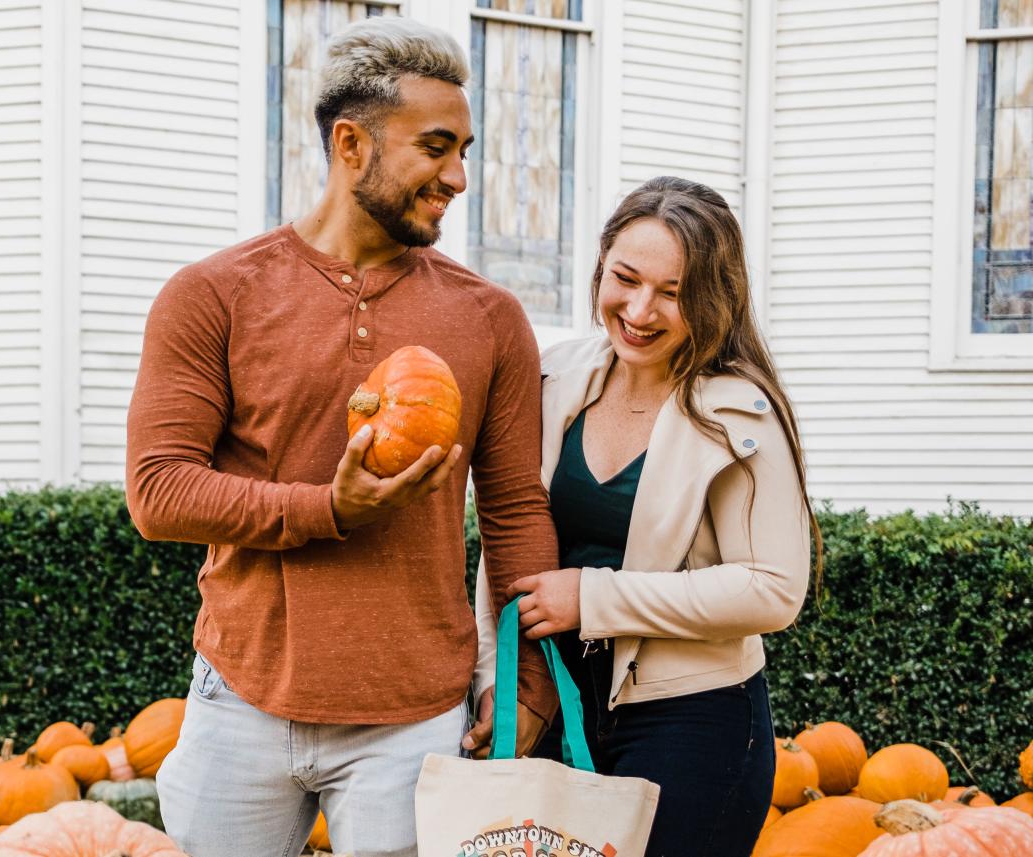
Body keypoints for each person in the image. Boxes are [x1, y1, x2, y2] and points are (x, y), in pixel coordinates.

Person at [124, 16, 558, 857]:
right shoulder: (213, 294)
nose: (459, 176)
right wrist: (331, 506)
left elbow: (513, 510)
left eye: (466, 149)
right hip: (239, 700)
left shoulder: (492, 319)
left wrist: (529, 677)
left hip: (414, 719)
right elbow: (159, 492)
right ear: (351, 144)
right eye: (436, 148)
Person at [463, 176, 820, 857]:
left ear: (712, 298)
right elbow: (506, 535)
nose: (639, 308)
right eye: (625, 278)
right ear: (600, 267)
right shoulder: (554, 378)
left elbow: (774, 587)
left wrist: (593, 597)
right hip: (563, 698)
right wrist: (496, 679)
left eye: (674, 292)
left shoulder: (740, 414)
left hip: (694, 718)